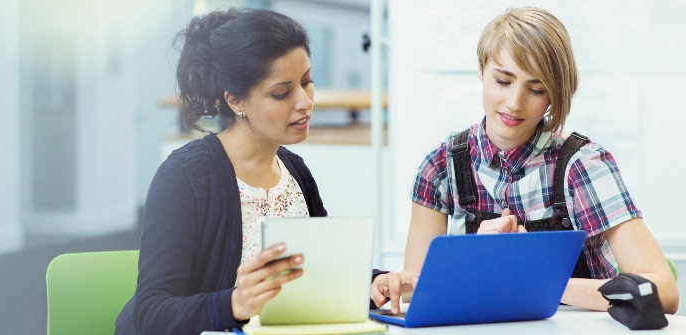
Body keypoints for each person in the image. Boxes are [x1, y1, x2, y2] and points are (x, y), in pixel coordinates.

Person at [370, 6, 679, 315]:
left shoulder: (581, 166)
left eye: (535, 89)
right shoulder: (440, 166)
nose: (514, 103)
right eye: (503, 81)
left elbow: (663, 293)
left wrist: (531, 277)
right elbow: (418, 294)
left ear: (554, 94)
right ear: (481, 68)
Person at [115, 7, 327, 334]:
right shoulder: (185, 176)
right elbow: (151, 312)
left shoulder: (295, 171)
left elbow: (320, 272)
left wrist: (373, 285)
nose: (305, 101)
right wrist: (235, 305)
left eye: (307, 82)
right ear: (236, 102)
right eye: (281, 93)